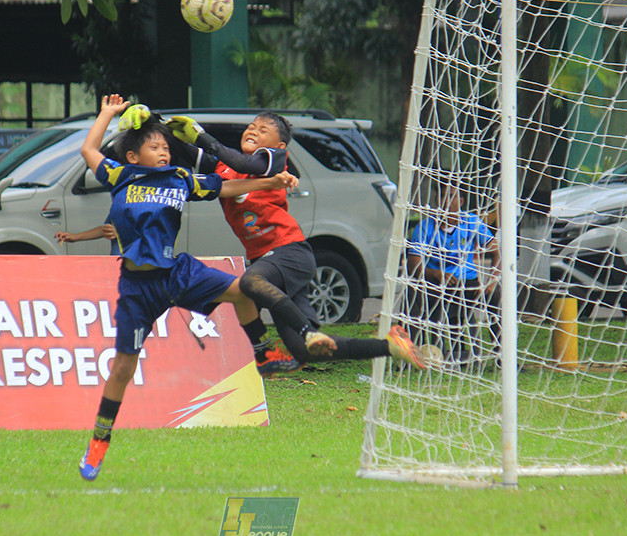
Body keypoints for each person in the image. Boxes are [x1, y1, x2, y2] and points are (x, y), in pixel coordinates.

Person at [78, 95, 300, 482]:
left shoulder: (180, 179)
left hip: (177, 273)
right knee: (123, 369)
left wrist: (272, 180)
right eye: (154, 147)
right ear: (132, 156)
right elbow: (88, 150)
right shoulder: (119, 175)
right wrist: (107, 114)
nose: (164, 151)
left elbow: (228, 188)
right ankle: (99, 440)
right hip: (137, 287)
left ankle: (263, 353)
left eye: (166, 146)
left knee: (244, 290)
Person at [152, 108, 429, 375]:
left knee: (249, 282)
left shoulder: (272, 160)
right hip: (271, 262)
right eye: (252, 127)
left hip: (290, 252)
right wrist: (155, 124)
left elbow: (243, 163)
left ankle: (273, 347)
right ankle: (391, 345)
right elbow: (184, 151)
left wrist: (201, 135)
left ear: (280, 145)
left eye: (263, 130)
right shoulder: (224, 168)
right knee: (303, 351)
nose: (253, 131)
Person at [406, 184, 501, 363]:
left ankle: (503, 355)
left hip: (468, 284)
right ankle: (410, 356)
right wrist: (435, 273)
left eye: (451, 196)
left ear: (461, 201)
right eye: (442, 196)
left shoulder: (472, 223)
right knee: (411, 292)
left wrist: (491, 282)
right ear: (436, 200)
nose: (446, 201)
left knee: (498, 295)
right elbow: (413, 266)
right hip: (436, 285)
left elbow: (498, 253)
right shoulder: (424, 227)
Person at [55, 222, 119, 254]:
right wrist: (74, 237)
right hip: (115, 262)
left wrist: (121, 231)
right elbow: (106, 229)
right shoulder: (117, 205)